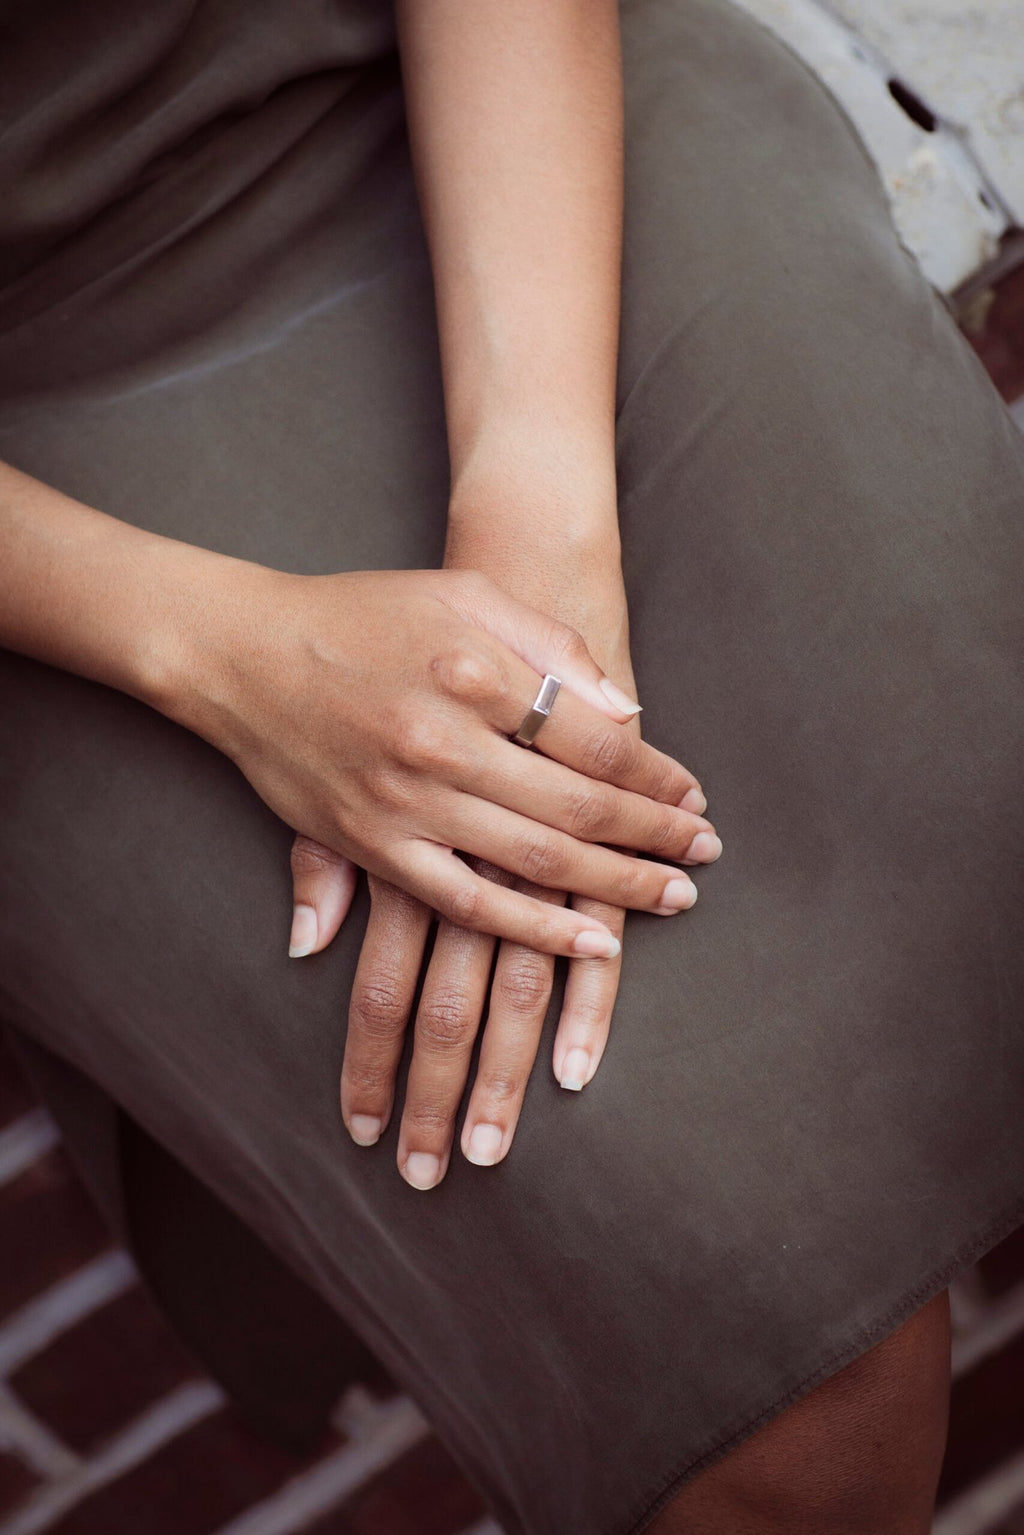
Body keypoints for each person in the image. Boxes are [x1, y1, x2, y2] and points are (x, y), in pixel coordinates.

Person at [1, 0, 1022, 1531]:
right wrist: (236, 660)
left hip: (474, 120)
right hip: (53, 477)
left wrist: (540, 493)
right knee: (769, 1394)